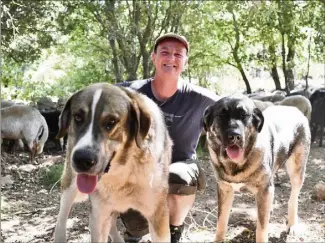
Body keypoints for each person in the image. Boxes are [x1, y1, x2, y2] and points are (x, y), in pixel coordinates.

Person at [118, 33, 220, 243]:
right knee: (137, 224)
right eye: (165, 52)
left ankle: (174, 233)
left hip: (181, 163)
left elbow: (236, 110)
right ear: (154, 58)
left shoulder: (202, 99)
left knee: (178, 176)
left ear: (185, 62)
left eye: (178, 54)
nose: (171, 58)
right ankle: (133, 234)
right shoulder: (128, 92)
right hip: (138, 167)